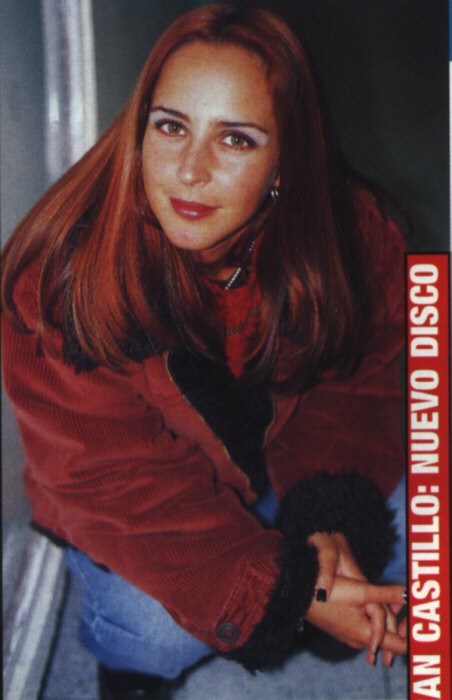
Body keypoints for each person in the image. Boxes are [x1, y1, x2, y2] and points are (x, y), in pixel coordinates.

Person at [1, 4, 408, 699]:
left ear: (286, 160)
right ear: (139, 130)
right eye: (171, 127)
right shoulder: (61, 274)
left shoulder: (351, 232)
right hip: (131, 503)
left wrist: (329, 523)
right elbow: (109, 478)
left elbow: (356, 385)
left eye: (236, 139)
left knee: (423, 538)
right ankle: (126, 669)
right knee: (155, 630)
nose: (190, 171)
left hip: (276, 467)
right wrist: (293, 594)